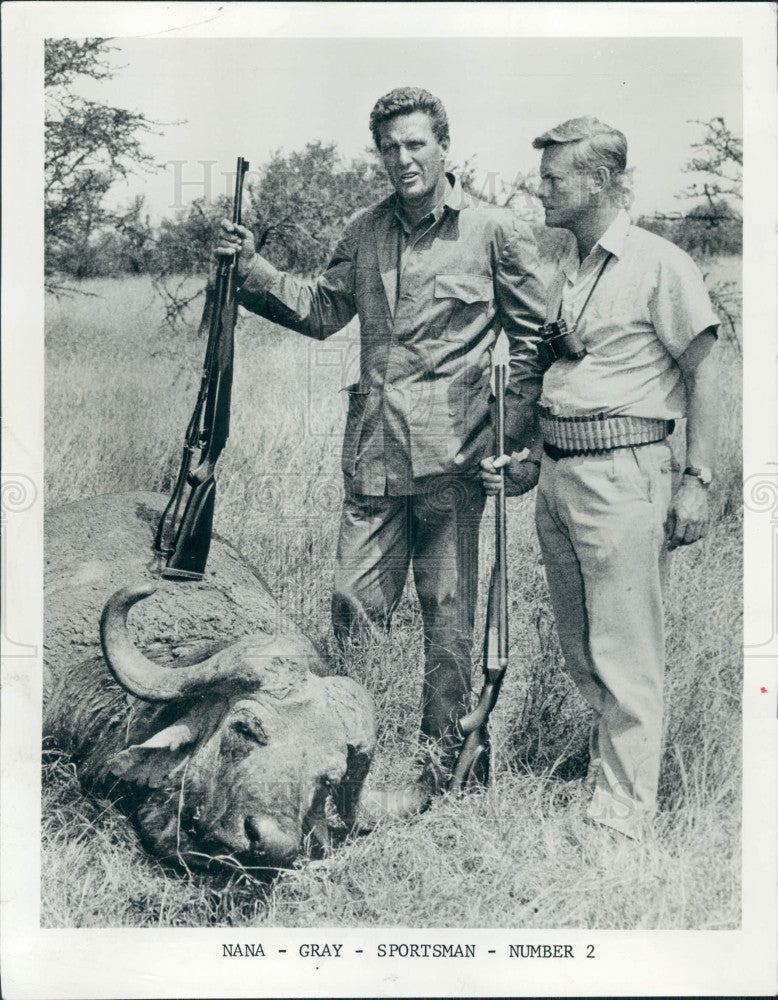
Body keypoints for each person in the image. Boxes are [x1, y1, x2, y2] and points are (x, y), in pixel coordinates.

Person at [216, 87, 547, 802]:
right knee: (351, 605)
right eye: (390, 146)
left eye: (415, 144)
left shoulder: (495, 231)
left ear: (443, 146)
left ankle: (445, 772)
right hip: (372, 459)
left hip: (454, 464)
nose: (402, 158)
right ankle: (346, 766)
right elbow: (321, 308)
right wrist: (251, 270)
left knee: (449, 619)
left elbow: (533, 342)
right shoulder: (364, 230)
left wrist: (512, 437)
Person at [481, 116, 720, 840]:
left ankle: (621, 826)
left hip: (626, 477)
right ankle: (609, 785)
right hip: (561, 476)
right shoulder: (570, 268)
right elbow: (566, 371)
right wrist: (530, 459)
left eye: (554, 177)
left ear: (600, 181)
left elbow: (704, 373)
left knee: (626, 654)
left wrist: (698, 479)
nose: (541, 187)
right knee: (582, 648)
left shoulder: (659, 263)